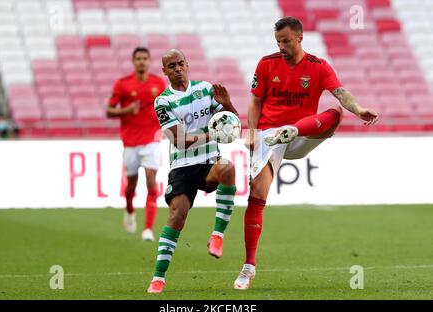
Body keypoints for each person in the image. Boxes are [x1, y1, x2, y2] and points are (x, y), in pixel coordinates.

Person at [233, 17, 379, 290]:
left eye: (286, 41)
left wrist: (358, 109)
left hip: (299, 134)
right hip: (269, 134)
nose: (282, 46)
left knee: (336, 113)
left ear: (300, 38)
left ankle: (292, 129)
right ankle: (248, 267)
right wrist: (251, 131)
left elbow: (341, 93)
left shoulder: (318, 67)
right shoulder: (267, 63)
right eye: (278, 41)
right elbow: (255, 100)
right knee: (257, 191)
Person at [147, 49, 239, 293]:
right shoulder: (163, 101)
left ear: (187, 65)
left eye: (180, 64)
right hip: (183, 166)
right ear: (164, 71)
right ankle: (159, 277)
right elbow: (179, 140)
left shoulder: (205, 88)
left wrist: (228, 103)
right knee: (178, 215)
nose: (177, 68)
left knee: (228, 168)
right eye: (171, 66)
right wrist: (212, 133)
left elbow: (232, 121)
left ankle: (217, 235)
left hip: (209, 161)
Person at [107, 47, 166, 241]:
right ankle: (130, 208)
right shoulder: (123, 84)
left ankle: (148, 228)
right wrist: (126, 111)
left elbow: (168, 108)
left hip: (151, 140)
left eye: (145, 59)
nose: (141, 62)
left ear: (149, 61)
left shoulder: (158, 83)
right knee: (131, 185)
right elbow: (109, 111)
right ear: (133, 62)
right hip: (130, 142)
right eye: (138, 59)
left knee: (151, 182)